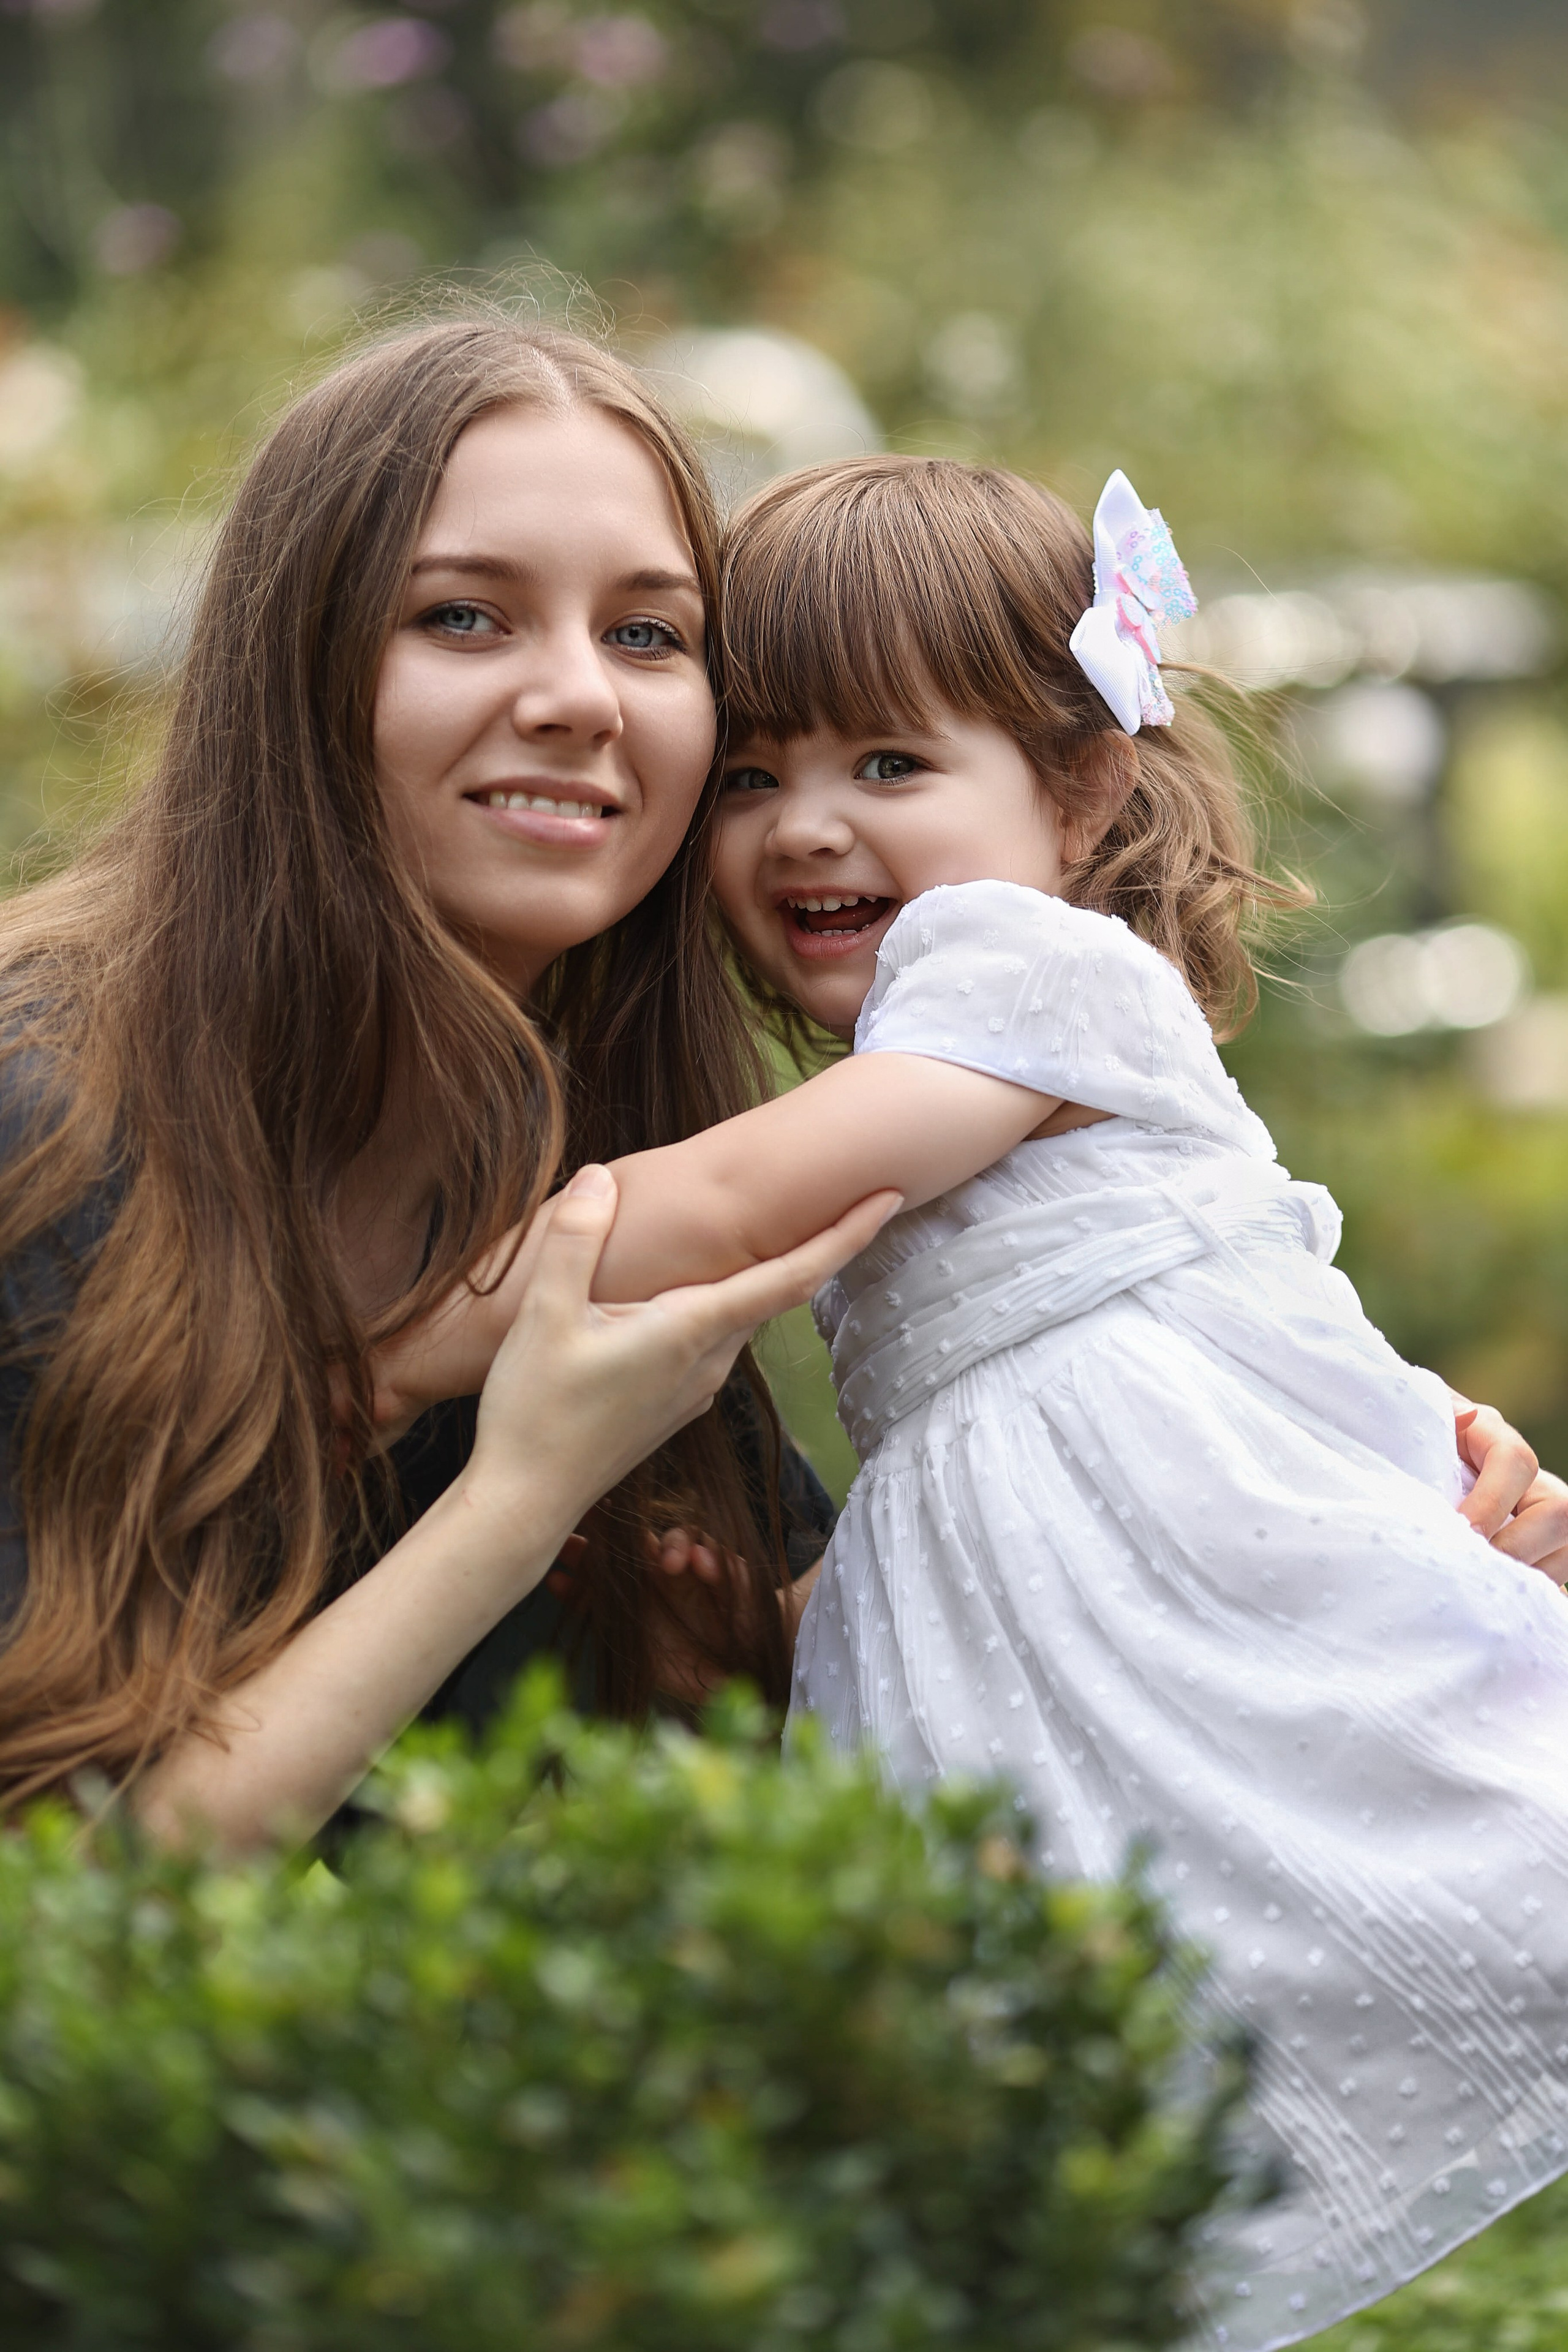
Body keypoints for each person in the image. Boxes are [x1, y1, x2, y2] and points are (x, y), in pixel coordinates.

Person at [378, 453, 1568, 2348]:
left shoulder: (1023, 973)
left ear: (1083, 787)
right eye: (755, 776)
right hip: (1073, 1598)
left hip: (1185, 1586)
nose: (804, 829)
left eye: (890, 767)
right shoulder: (973, 1006)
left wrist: (364, 1334)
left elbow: (709, 1214)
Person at [0, 313, 889, 1850]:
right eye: (466, 619)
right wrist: (517, 1495)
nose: (580, 699)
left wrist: (1310, 1489)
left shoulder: (600, 1134)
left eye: (647, 634)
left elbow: (821, 1648)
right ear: (298, 672)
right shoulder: (43, 1119)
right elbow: (71, 1893)